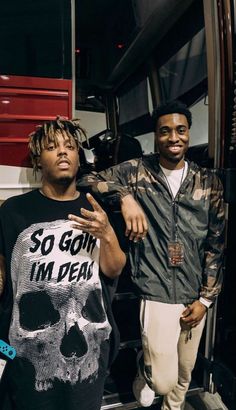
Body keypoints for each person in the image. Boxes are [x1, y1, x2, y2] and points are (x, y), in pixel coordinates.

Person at [77, 101, 225, 409]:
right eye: (165, 131)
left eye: (181, 130)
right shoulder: (137, 171)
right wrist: (125, 196)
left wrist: (206, 299)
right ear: (156, 136)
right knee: (162, 380)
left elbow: (216, 242)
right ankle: (145, 370)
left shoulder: (208, 182)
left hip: (194, 292)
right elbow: (85, 180)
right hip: (155, 288)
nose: (174, 137)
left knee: (184, 373)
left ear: (187, 134)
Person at [0, 117, 126, 410]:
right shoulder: (13, 211)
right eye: (52, 147)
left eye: (69, 146)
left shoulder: (96, 209)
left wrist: (107, 233)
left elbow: (114, 269)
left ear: (78, 158)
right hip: (30, 360)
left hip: (91, 351)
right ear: (38, 160)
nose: (62, 152)